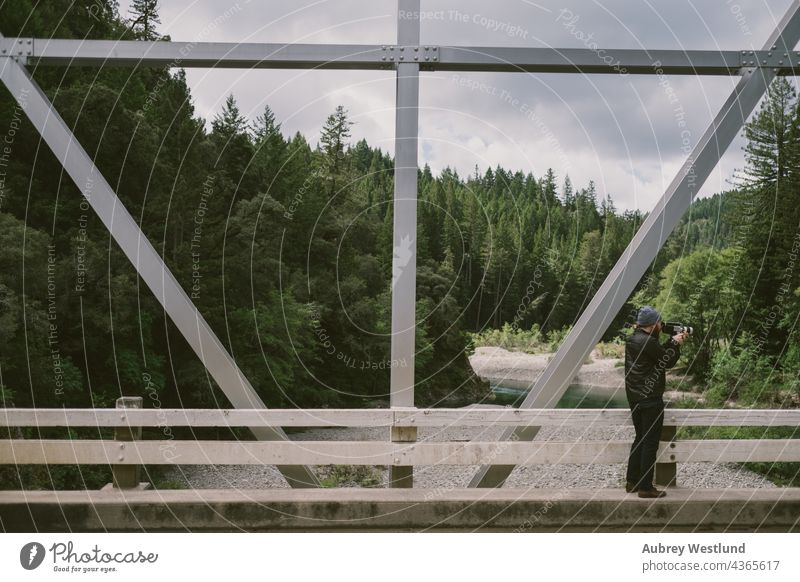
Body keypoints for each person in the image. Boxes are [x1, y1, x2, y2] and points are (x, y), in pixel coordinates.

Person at [624, 305, 686, 498]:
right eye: (659, 322)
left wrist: (670, 343)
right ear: (652, 324)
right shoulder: (648, 342)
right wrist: (675, 343)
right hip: (650, 399)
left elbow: (657, 356)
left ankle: (632, 482)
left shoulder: (633, 339)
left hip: (635, 397)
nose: (661, 325)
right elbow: (667, 361)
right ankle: (645, 488)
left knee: (640, 439)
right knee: (650, 443)